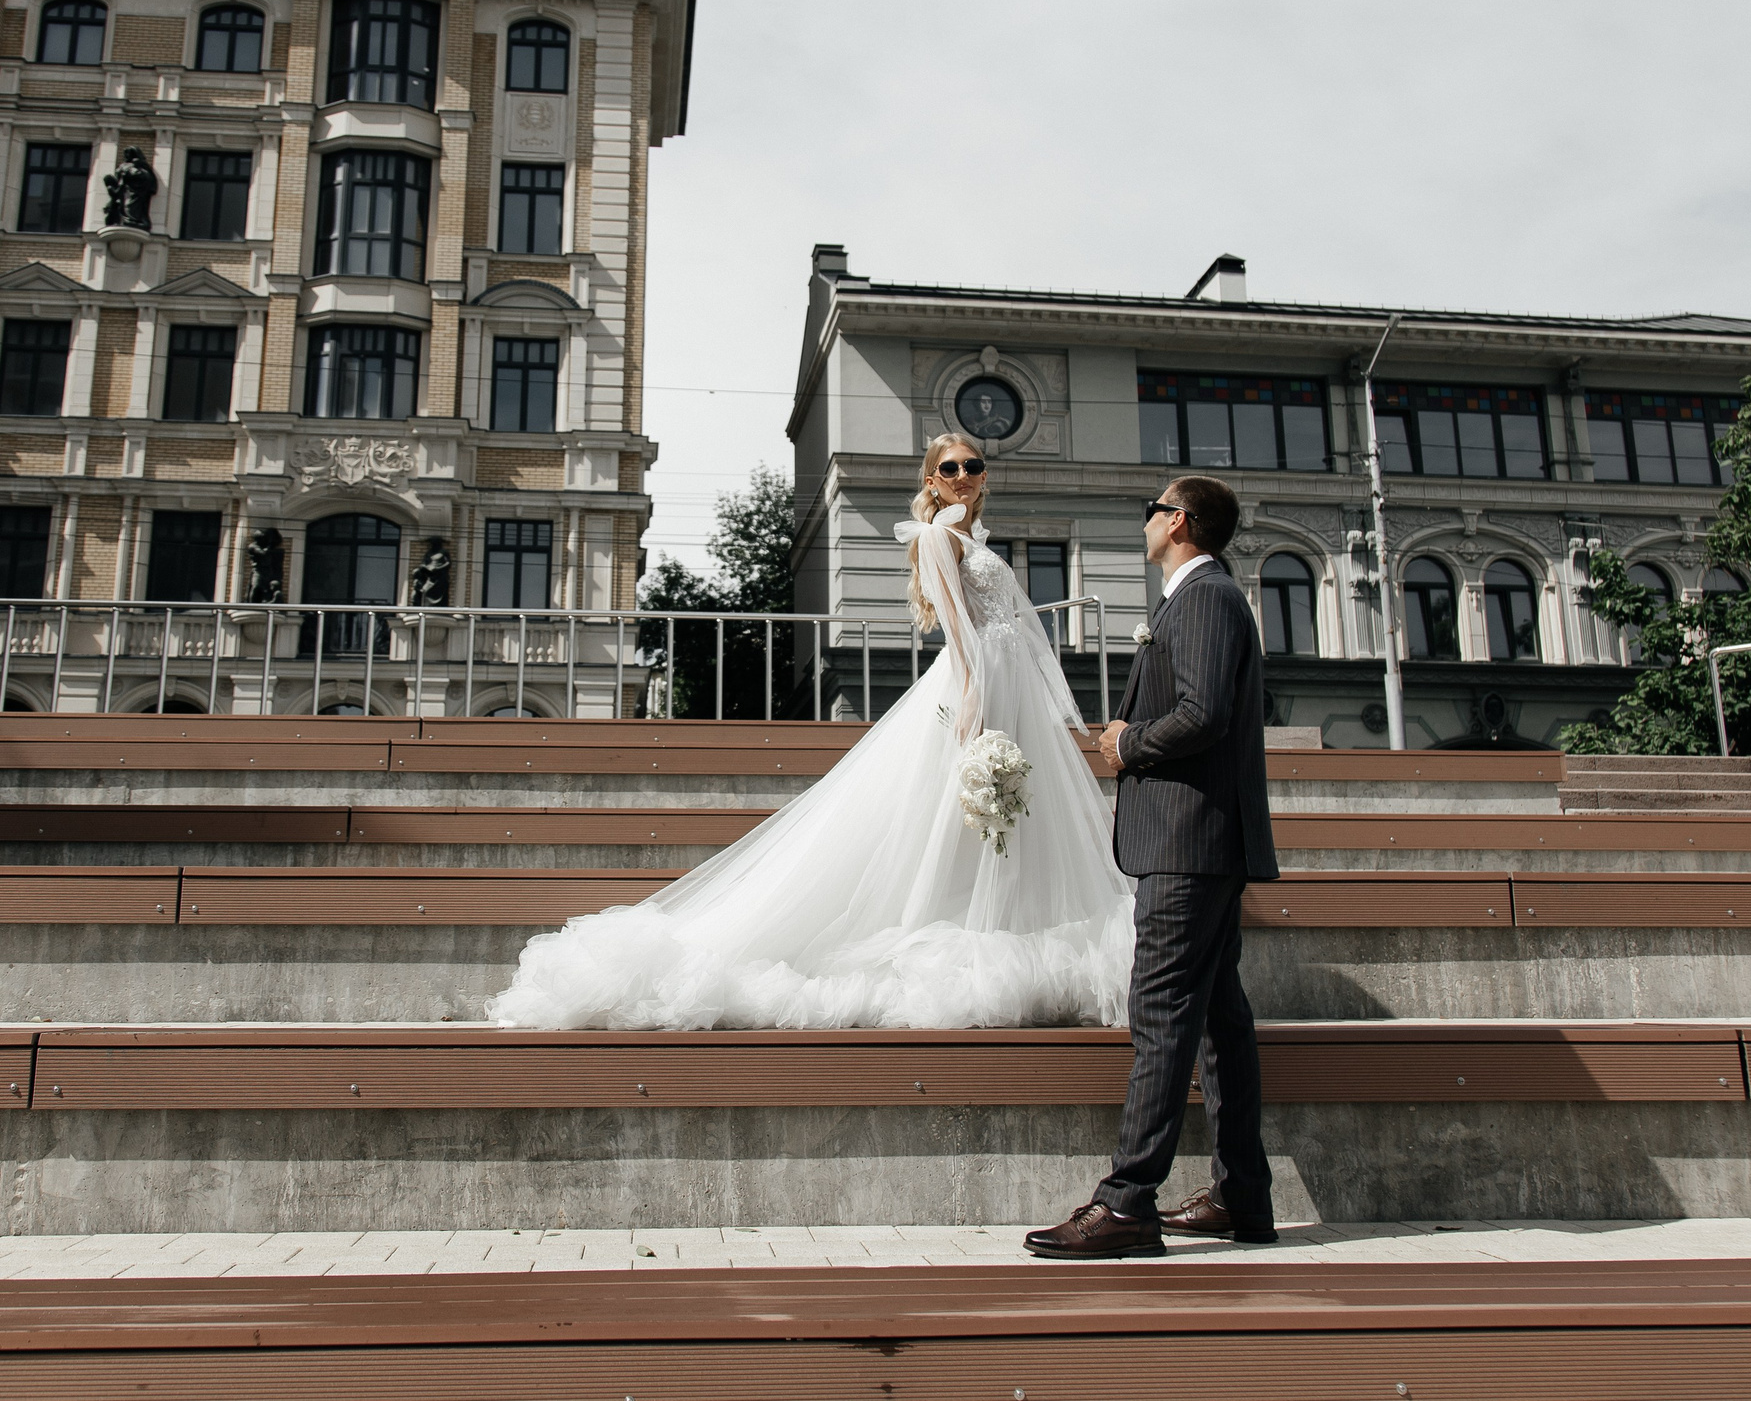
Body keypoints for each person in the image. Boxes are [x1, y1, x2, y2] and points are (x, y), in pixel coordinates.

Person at [489, 434, 1135, 1030]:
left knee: (996, 818)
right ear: (931, 480)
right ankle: (947, 936)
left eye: (973, 465)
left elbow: (1012, 624)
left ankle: (997, 930)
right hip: (978, 680)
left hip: (1010, 676)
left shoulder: (980, 539)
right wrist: (973, 696)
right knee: (955, 813)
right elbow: (960, 629)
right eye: (950, 468)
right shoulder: (939, 537)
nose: (964, 475)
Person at [1025, 473, 1278, 1259]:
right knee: (1219, 1020)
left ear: (1181, 523)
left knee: (1161, 1012)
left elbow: (1204, 712)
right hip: (1199, 840)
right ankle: (1243, 1195)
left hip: (1189, 843)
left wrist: (1128, 741)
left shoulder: (1203, 597)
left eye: (1153, 510)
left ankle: (1129, 1201)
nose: (1145, 522)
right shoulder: (1204, 598)